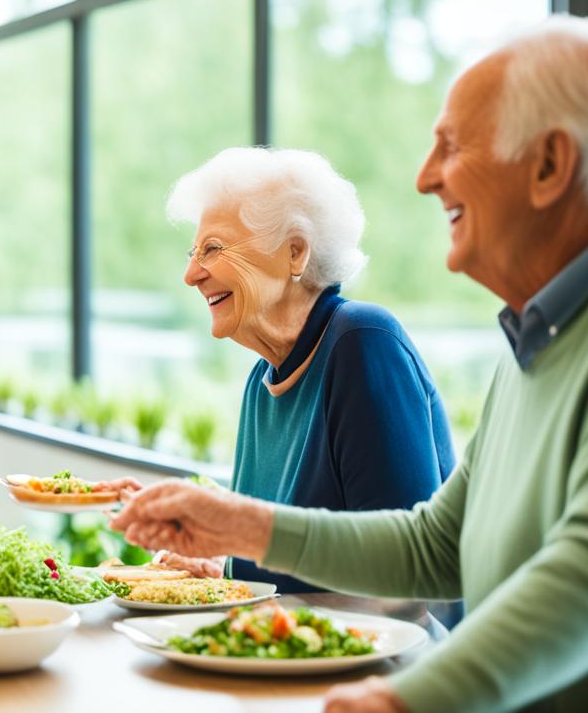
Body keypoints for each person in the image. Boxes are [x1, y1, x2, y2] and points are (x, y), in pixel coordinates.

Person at [112, 15, 588, 712]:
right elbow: (435, 544)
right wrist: (241, 527)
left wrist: (408, 699)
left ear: (548, 165)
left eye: (451, 146)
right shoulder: (540, 331)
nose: (423, 178)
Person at [158, 147, 454, 601]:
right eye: (193, 252)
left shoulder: (362, 344)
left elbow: (404, 577)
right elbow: (289, 559)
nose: (191, 273)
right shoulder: (263, 382)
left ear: (295, 252)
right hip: (296, 658)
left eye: (212, 248)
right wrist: (221, 567)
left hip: (386, 661)